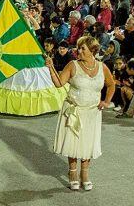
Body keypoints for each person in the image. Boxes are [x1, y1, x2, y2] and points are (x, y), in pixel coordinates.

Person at [45, 36, 116, 191]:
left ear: (93, 51)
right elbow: (59, 83)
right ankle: (72, 173)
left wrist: (106, 101)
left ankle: (85, 174)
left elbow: (111, 85)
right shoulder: (73, 65)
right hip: (73, 110)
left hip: (92, 113)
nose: (79, 51)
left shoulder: (102, 67)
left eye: (83, 48)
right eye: (78, 48)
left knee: (87, 144)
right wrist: (50, 67)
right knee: (74, 143)